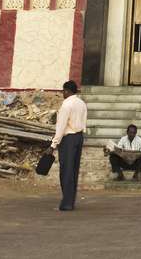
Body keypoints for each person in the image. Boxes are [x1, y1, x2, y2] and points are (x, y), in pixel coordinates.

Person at [49, 80, 87, 211]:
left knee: (66, 170)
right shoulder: (82, 103)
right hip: (79, 137)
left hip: (68, 139)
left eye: (63, 91)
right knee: (74, 170)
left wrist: (53, 144)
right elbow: (84, 121)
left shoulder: (66, 105)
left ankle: (66, 203)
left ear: (66, 91)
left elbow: (61, 127)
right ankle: (71, 201)